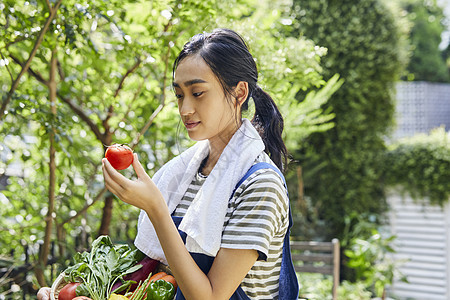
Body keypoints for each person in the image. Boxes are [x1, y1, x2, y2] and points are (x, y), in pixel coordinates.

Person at [38, 28, 298, 300]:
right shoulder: (183, 174)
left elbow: (209, 297)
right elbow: (160, 276)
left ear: (239, 92)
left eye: (197, 93)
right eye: (178, 95)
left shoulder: (260, 185)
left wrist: (155, 209)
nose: (185, 109)